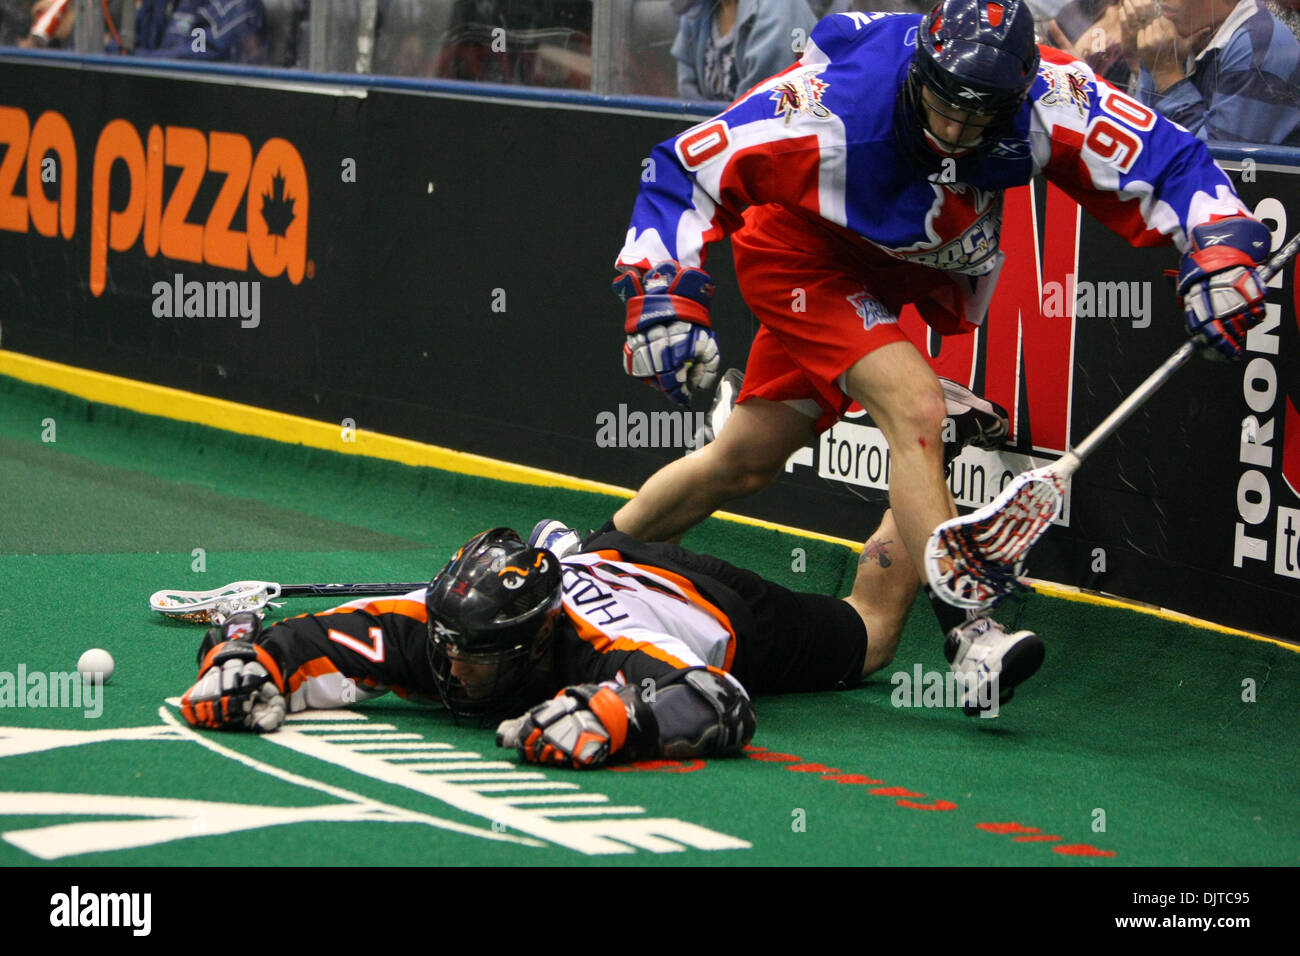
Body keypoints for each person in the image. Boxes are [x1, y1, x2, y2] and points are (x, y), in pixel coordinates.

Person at [611, 0, 1272, 713]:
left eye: (979, 114)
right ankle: (971, 637)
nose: (954, 129)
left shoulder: (1049, 94)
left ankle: (590, 556)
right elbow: (684, 167)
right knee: (918, 407)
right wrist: (662, 295)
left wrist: (1223, 250)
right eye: (941, 101)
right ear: (919, 68)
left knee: (745, 459)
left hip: (897, 264)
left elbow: (1174, 160)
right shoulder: (829, 106)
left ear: (1017, 95)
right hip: (801, 256)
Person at [177, 523, 929, 768]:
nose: (453, 668)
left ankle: (920, 477)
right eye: (449, 644)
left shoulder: (610, 648)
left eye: (479, 654)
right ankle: (574, 540)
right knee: (613, 534)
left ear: (537, 644)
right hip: (594, 559)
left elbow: (721, 702)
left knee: (869, 635)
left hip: (705, 600)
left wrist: (621, 719)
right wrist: (240, 662)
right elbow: (293, 639)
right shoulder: (431, 624)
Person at [1125, 0, 1300, 145]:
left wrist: (1167, 76)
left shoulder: (1256, 46)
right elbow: (1138, 139)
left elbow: (1217, 170)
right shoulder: (1172, 35)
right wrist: (1155, 62)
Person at [671, 0, 818, 101]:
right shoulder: (695, 10)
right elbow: (687, 94)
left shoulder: (779, 9)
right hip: (712, 139)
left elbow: (761, 105)